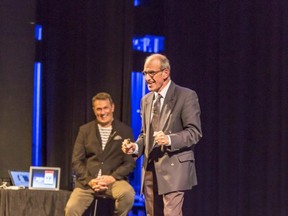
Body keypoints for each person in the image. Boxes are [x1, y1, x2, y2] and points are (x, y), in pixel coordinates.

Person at [122, 54, 202, 216]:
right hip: (151, 168)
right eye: (145, 73)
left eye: (151, 73)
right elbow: (146, 134)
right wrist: (136, 147)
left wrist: (170, 139)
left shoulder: (185, 96)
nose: (147, 78)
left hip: (174, 167)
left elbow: (194, 132)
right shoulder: (146, 100)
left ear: (165, 73)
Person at [65, 92, 135, 216]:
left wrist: (112, 177)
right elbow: (76, 161)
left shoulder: (125, 131)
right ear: (94, 110)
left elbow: (129, 163)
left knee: (128, 194)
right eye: (99, 109)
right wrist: (90, 180)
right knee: (71, 208)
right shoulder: (85, 130)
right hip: (88, 183)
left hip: (114, 181)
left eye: (105, 108)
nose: (102, 113)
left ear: (112, 108)